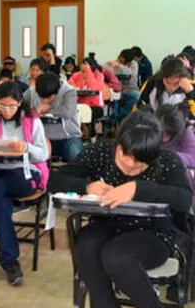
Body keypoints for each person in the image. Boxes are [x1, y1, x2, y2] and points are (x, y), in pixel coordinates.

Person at [48, 110, 192, 308]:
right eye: (125, 156)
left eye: (139, 164)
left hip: (153, 233)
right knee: (86, 246)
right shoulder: (100, 152)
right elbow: (55, 181)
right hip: (105, 224)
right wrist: (87, 186)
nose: (130, 166)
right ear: (117, 144)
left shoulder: (167, 160)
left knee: (115, 255)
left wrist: (138, 188)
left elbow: (184, 200)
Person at [0, 81, 49, 285]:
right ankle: (10, 262)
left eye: (12, 106)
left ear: (20, 103)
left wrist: (25, 146)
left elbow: (43, 153)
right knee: (1, 205)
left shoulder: (32, 120)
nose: (7, 111)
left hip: (26, 174)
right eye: (3, 106)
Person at [24, 72, 83, 162]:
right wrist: (34, 111)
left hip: (67, 138)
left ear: (58, 91)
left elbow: (68, 112)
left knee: (75, 157)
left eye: (49, 98)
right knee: (26, 155)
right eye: (42, 97)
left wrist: (48, 109)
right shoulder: (32, 91)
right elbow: (19, 104)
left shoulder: (69, 91)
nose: (45, 100)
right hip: (40, 138)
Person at [156, 104, 195, 208]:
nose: (165, 138)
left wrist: (168, 156)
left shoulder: (186, 132)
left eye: (169, 134)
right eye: (162, 134)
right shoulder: (150, 130)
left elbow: (192, 159)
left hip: (177, 177)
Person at [68, 57, 105, 128]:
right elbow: (68, 86)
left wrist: (89, 73)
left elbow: (95, 88)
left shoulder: (99, 76)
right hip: (79, 103)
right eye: (82, 70)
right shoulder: (76, 75)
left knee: (89, 114)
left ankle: (90, 134)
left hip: (95, 105)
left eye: (84, 71)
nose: (82, 73)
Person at [107, 48, 139, 121]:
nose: (120, 59)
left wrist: (119, 66)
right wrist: (111, 65)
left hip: (131, 89)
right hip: (118, 90)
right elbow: (108, 72)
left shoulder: (133, 63)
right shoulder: (116, 62)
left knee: (136, 95)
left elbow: (132, 74)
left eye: (123, 58)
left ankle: (124, 117)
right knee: (113, 98)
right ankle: (115, 120)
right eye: (120, 57)